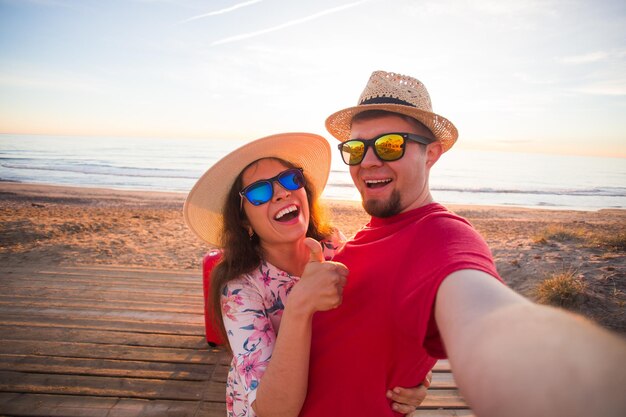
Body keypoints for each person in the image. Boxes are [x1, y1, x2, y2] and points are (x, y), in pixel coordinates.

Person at [297, 70, 626, 417]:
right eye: (356, 147)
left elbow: (491, 320)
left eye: (390, 145)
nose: (368, 160)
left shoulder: (443, 237)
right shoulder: (372, 233)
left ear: (431, 153)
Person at [183, 133, 433, 417]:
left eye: (290, 179)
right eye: (259, 192)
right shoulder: (241, 289)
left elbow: (379, 320)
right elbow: (274, 411)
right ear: (243, 219)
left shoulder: (333, 245)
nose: (281, 192)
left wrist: (414, 377)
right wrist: (299, 306)